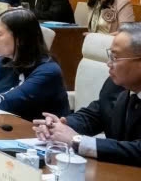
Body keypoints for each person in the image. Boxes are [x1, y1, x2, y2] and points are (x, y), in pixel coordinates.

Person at [33, 24, 141, 166]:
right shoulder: (115, 85)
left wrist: (78, 141)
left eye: (115, 57)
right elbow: (93, 115)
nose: (109, 63)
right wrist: (59, 126)